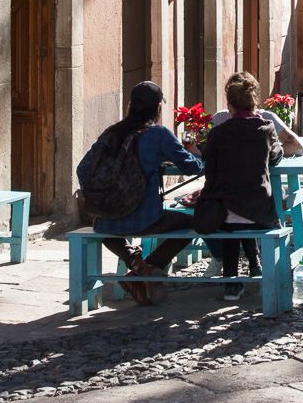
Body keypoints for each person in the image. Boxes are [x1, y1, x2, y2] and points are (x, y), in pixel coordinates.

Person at [77, 81, 203, 306]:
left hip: (107, 220)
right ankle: (146, 269)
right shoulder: (159, 135)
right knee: (194, 224)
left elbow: (83, 168)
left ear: (130, 106)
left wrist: (103, 195)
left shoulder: (112, 133)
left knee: (104, 228)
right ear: (157, 109)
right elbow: (192, 167)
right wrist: (195, 153)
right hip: (147, 218)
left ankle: (133, 260)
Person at [192, 73, 283, 301]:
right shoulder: (266, 129)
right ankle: (254, 266)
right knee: (242, 205)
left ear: (229, 104)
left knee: (232, 212)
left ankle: (232, 283)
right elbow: (276, 157)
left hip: (225, 212)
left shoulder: (218, 134)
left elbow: (208, 169)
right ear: (254, 101)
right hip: (260, 210)